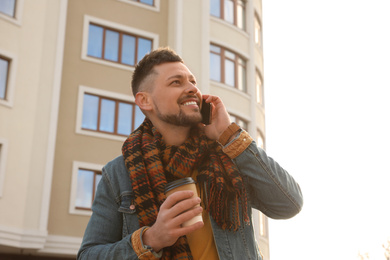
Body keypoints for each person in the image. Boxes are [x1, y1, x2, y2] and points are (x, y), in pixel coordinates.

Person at [77, 47, 303, 260]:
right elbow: (88, 255)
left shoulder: (228, 155)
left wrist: (229, 135)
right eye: (176, 82)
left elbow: (289, 203)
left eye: (193, 82)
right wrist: (152, 238)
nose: (192, 88)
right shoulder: (118, 173)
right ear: (144, 100)